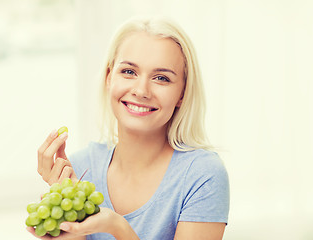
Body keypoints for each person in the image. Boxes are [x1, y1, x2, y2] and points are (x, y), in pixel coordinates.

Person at [28, 16, 230, 240]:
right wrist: (72, 223)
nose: (141, 90)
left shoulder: (202, 175)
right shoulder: (79, 168)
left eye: (161, 78)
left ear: (182, 93)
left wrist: (117, 227)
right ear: (108, 78)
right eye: (129, 72)